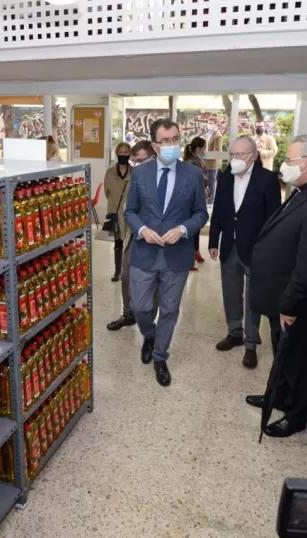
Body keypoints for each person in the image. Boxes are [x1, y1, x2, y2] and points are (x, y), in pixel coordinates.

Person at [246, 134, 307, 438]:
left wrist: (290, 304)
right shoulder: (305, 190)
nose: (284, 165)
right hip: (283, 294)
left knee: (298, 358)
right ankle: (280, 395)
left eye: (289, 160)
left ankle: (297, 414)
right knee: (283, 353)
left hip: (300, 303)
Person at [124, 119, 209, 387]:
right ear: (154, 146)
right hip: (145, 251)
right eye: (166, 141)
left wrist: (183, 229)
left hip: (177, 255)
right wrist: (142, 230)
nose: (172, 144)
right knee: (140, 307)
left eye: (175, 139)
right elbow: (130, 211)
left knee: (170, 310)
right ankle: (150, 335)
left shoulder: (192, 174)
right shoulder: (140, 173)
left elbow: (201, 213)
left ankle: (160, 356)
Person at [208, 136, 281, 369]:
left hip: (255, 249)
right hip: (229, 245)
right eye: (232, 154)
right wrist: (213, 240)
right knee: (230, 292)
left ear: (253, 156)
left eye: (240, 155)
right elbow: (218, 210)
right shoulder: (225, 176)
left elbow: (273, 218)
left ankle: (251, 344)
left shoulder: (267, 179)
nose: (235, 159)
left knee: (252, 298)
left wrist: (268, 250)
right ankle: (234, 333)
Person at [107, 140, 155, 331]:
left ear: (153, 157)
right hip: (134, 234)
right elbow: (128, 205)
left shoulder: (161, 178)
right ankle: (128, 314)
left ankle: (148, 319)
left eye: (140, 160)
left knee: (151, 281)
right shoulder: (136, 177)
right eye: (135, 161)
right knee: (126, 276)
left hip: (155, 238)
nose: (136, 164)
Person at [104, 142, 131, 282]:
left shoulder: (135, 172)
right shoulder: (110, 172)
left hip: (130, 212)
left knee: (130, 242)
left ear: (130, 154)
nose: (123, 155)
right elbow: (107, 192)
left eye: (126, 152)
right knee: (118, 242)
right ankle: (117, 271)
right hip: (114, 211)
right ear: (116, 153)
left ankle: (128, 270)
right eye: (120, 152)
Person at [183, 136, 208, 268]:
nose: (205, 150)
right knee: (192, 227)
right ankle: (190, 256)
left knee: (197, 226)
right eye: (204, 148)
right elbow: (192, 181)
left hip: (198, 196)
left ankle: (195, 251)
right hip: (191, 198)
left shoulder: (197, 160)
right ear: (199, 148)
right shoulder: (190, 162)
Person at [204, 120, 223, 203]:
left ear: (215, 124)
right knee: (207, 181)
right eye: (209, 123)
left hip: (213, 163)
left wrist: (206, 155)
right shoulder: (209, 134)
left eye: (211, 123)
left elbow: (217, 151)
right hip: (207, 162)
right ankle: (208, 198)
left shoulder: (217, 136)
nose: (209, 125)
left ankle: (211, 200)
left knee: (211, 182)